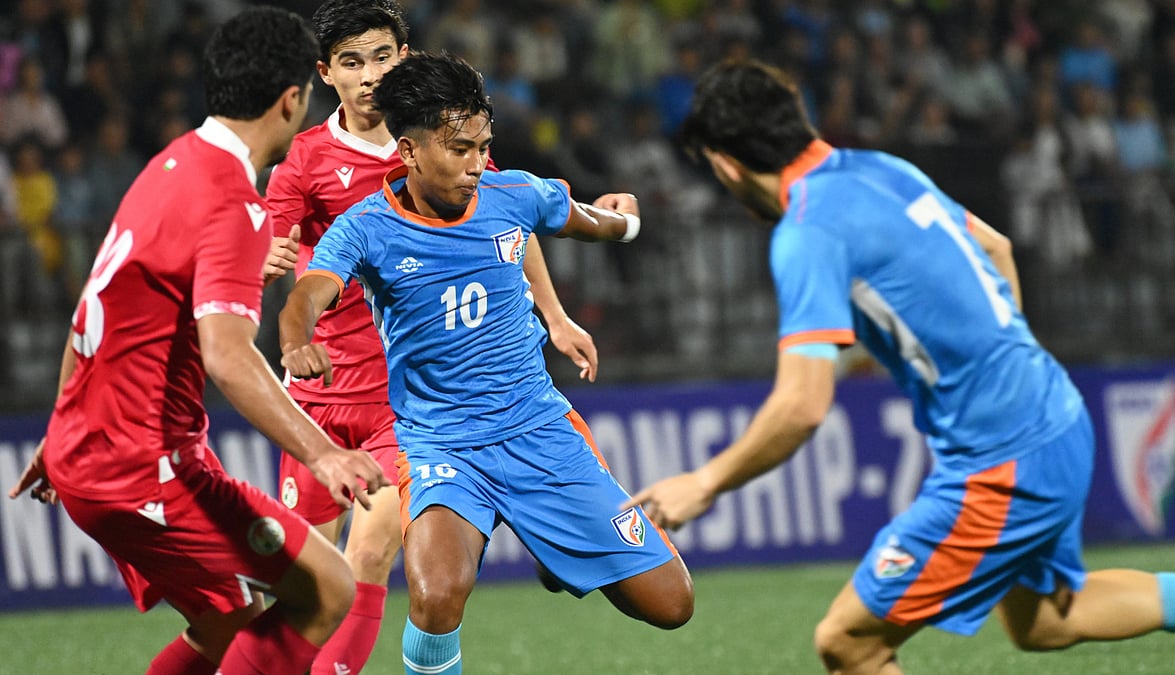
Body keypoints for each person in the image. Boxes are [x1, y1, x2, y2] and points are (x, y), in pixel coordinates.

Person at [626, 59, 1175, 675]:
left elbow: (801, 406)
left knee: (848, 642)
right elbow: (995, 248)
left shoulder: (807, 232)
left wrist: (705, 482)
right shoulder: (882, 168)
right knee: (1050, 618)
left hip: (1001, 464)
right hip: (1056, 414)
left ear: (726, 164)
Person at [278, 52, 694, 675]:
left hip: (538, 431)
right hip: (441, 445)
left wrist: (626, 222)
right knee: (438, 594)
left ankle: (555, 557)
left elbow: (591, 221)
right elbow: (309, 292)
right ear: (411, 152)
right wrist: (294, 341)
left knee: (672, 606)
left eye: (483, 146)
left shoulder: (513, 195)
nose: (477, 165)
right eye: (461, 150)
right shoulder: (366, 228)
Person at [6, 9, 389, 675]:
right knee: (327, 584)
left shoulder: (170, 162)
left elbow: (93, 301)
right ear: (293, 99)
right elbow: (229, 355)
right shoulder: (233, 202)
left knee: (228, 625)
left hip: (88, 448)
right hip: (140, 462)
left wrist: (62, 425)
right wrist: (324, 452)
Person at [261, 3, 598, 671]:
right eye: (352, 63)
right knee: (302, 577)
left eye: (382, 57)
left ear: (405, 57)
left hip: (406, 400)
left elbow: (508, 219)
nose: (369, 76)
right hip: (318, 395)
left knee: (368, 555)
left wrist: (554, 315)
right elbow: (269, 247)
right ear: (327, 74)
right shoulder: (303, 160)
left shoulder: (447, 141)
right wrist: (265, 263)